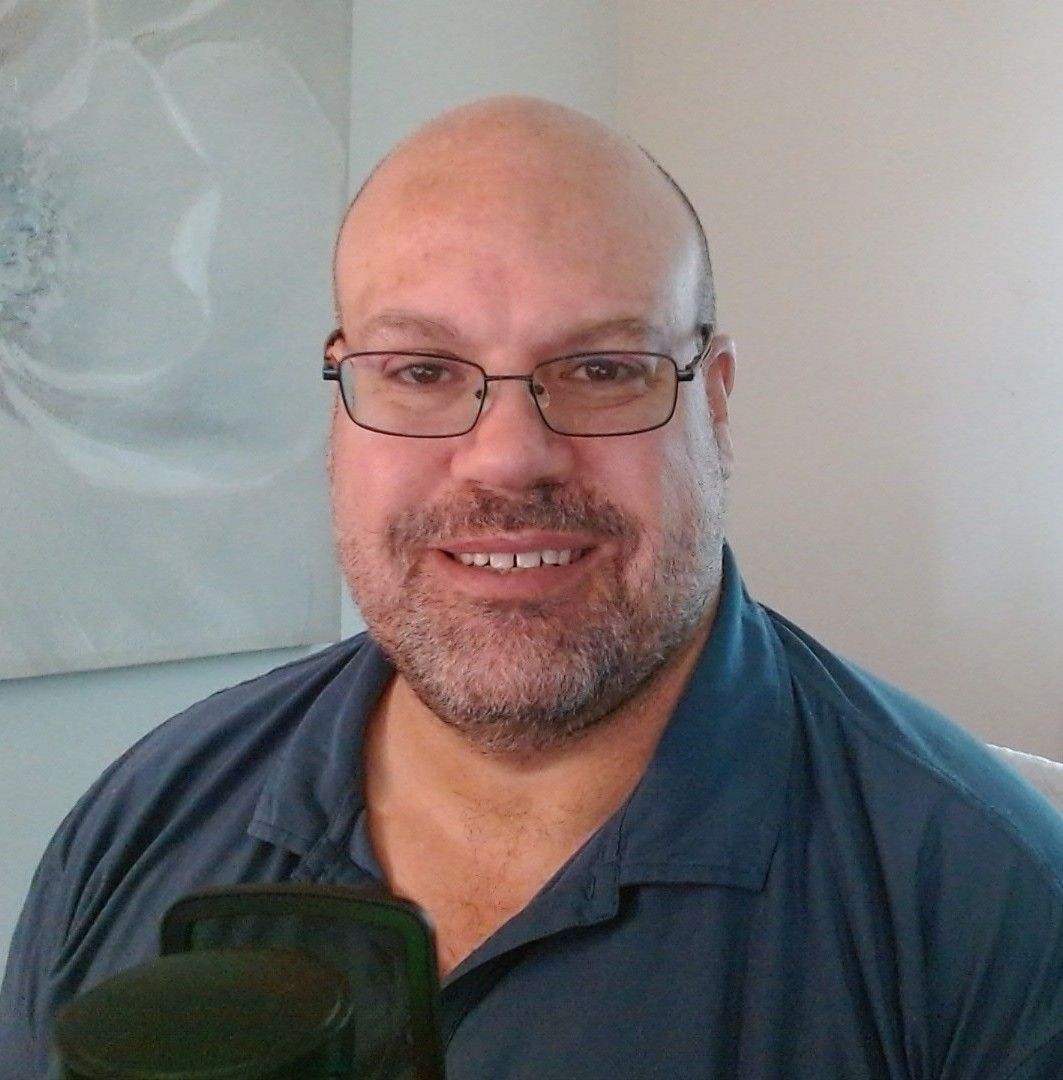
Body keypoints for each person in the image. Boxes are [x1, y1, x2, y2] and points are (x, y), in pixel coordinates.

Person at [2, 96, 1062, 1078]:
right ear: (341, 396)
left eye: (601, 370)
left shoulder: (989, 903)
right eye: (421, 371)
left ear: (714, 404)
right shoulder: (145, 817)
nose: (508, 458)